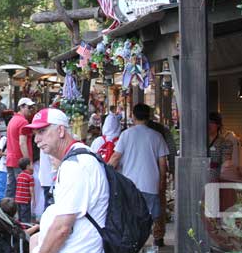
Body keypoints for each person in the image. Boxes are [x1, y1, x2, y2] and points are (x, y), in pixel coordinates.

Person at [24, 108, 109, 253]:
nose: (36, 139)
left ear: (61, 131)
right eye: (35, 134)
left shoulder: (74, 165)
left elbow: (62, 228)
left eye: (42, 131)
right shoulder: (78, 157)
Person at [108, 103, 169, 244]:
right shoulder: (157, 136)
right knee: (151, 216)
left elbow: (116, 157)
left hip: (130, 186)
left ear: (133, 116)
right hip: (150, 184)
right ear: (149, 117)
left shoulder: (126, 135)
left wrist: (106, 170)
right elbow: (163, 164)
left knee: (131, 216)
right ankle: (155, 239)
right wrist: (162, 182)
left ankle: (134, 243)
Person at [146, 116, 177, 248]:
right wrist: (173, 170)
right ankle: (158, 236)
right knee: (159, 205)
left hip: (139, 175)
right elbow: (172, 150)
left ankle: (143, 234)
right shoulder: (162, 131)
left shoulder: (132, 132)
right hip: (158, 173)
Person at [5, 97, 36, 199]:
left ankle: (7, 211)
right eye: (29, 107)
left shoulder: (13, 120)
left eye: (32, 107)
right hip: (20, 161)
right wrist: (28, 162)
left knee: (11, 189)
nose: (31, 110)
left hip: (11, 159)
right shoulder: (23, 122)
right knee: (22, 192)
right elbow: (22, 143)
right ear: (22, 107)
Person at [15, 157, 34, 224]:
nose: (33, 166)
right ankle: (26, 228)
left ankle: (20, 226)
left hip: (18, 199)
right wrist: (33, 199)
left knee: (20, 215)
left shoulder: (19, 175)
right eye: (31, 164)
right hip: (25, 200)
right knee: (25, 216)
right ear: (28, 166)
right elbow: (31, 189)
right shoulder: (30, 177)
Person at [0, 135, 8, 202]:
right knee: (1, 190)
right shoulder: (4, 139)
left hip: (11, 168)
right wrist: (8, 154)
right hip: (3, 168)